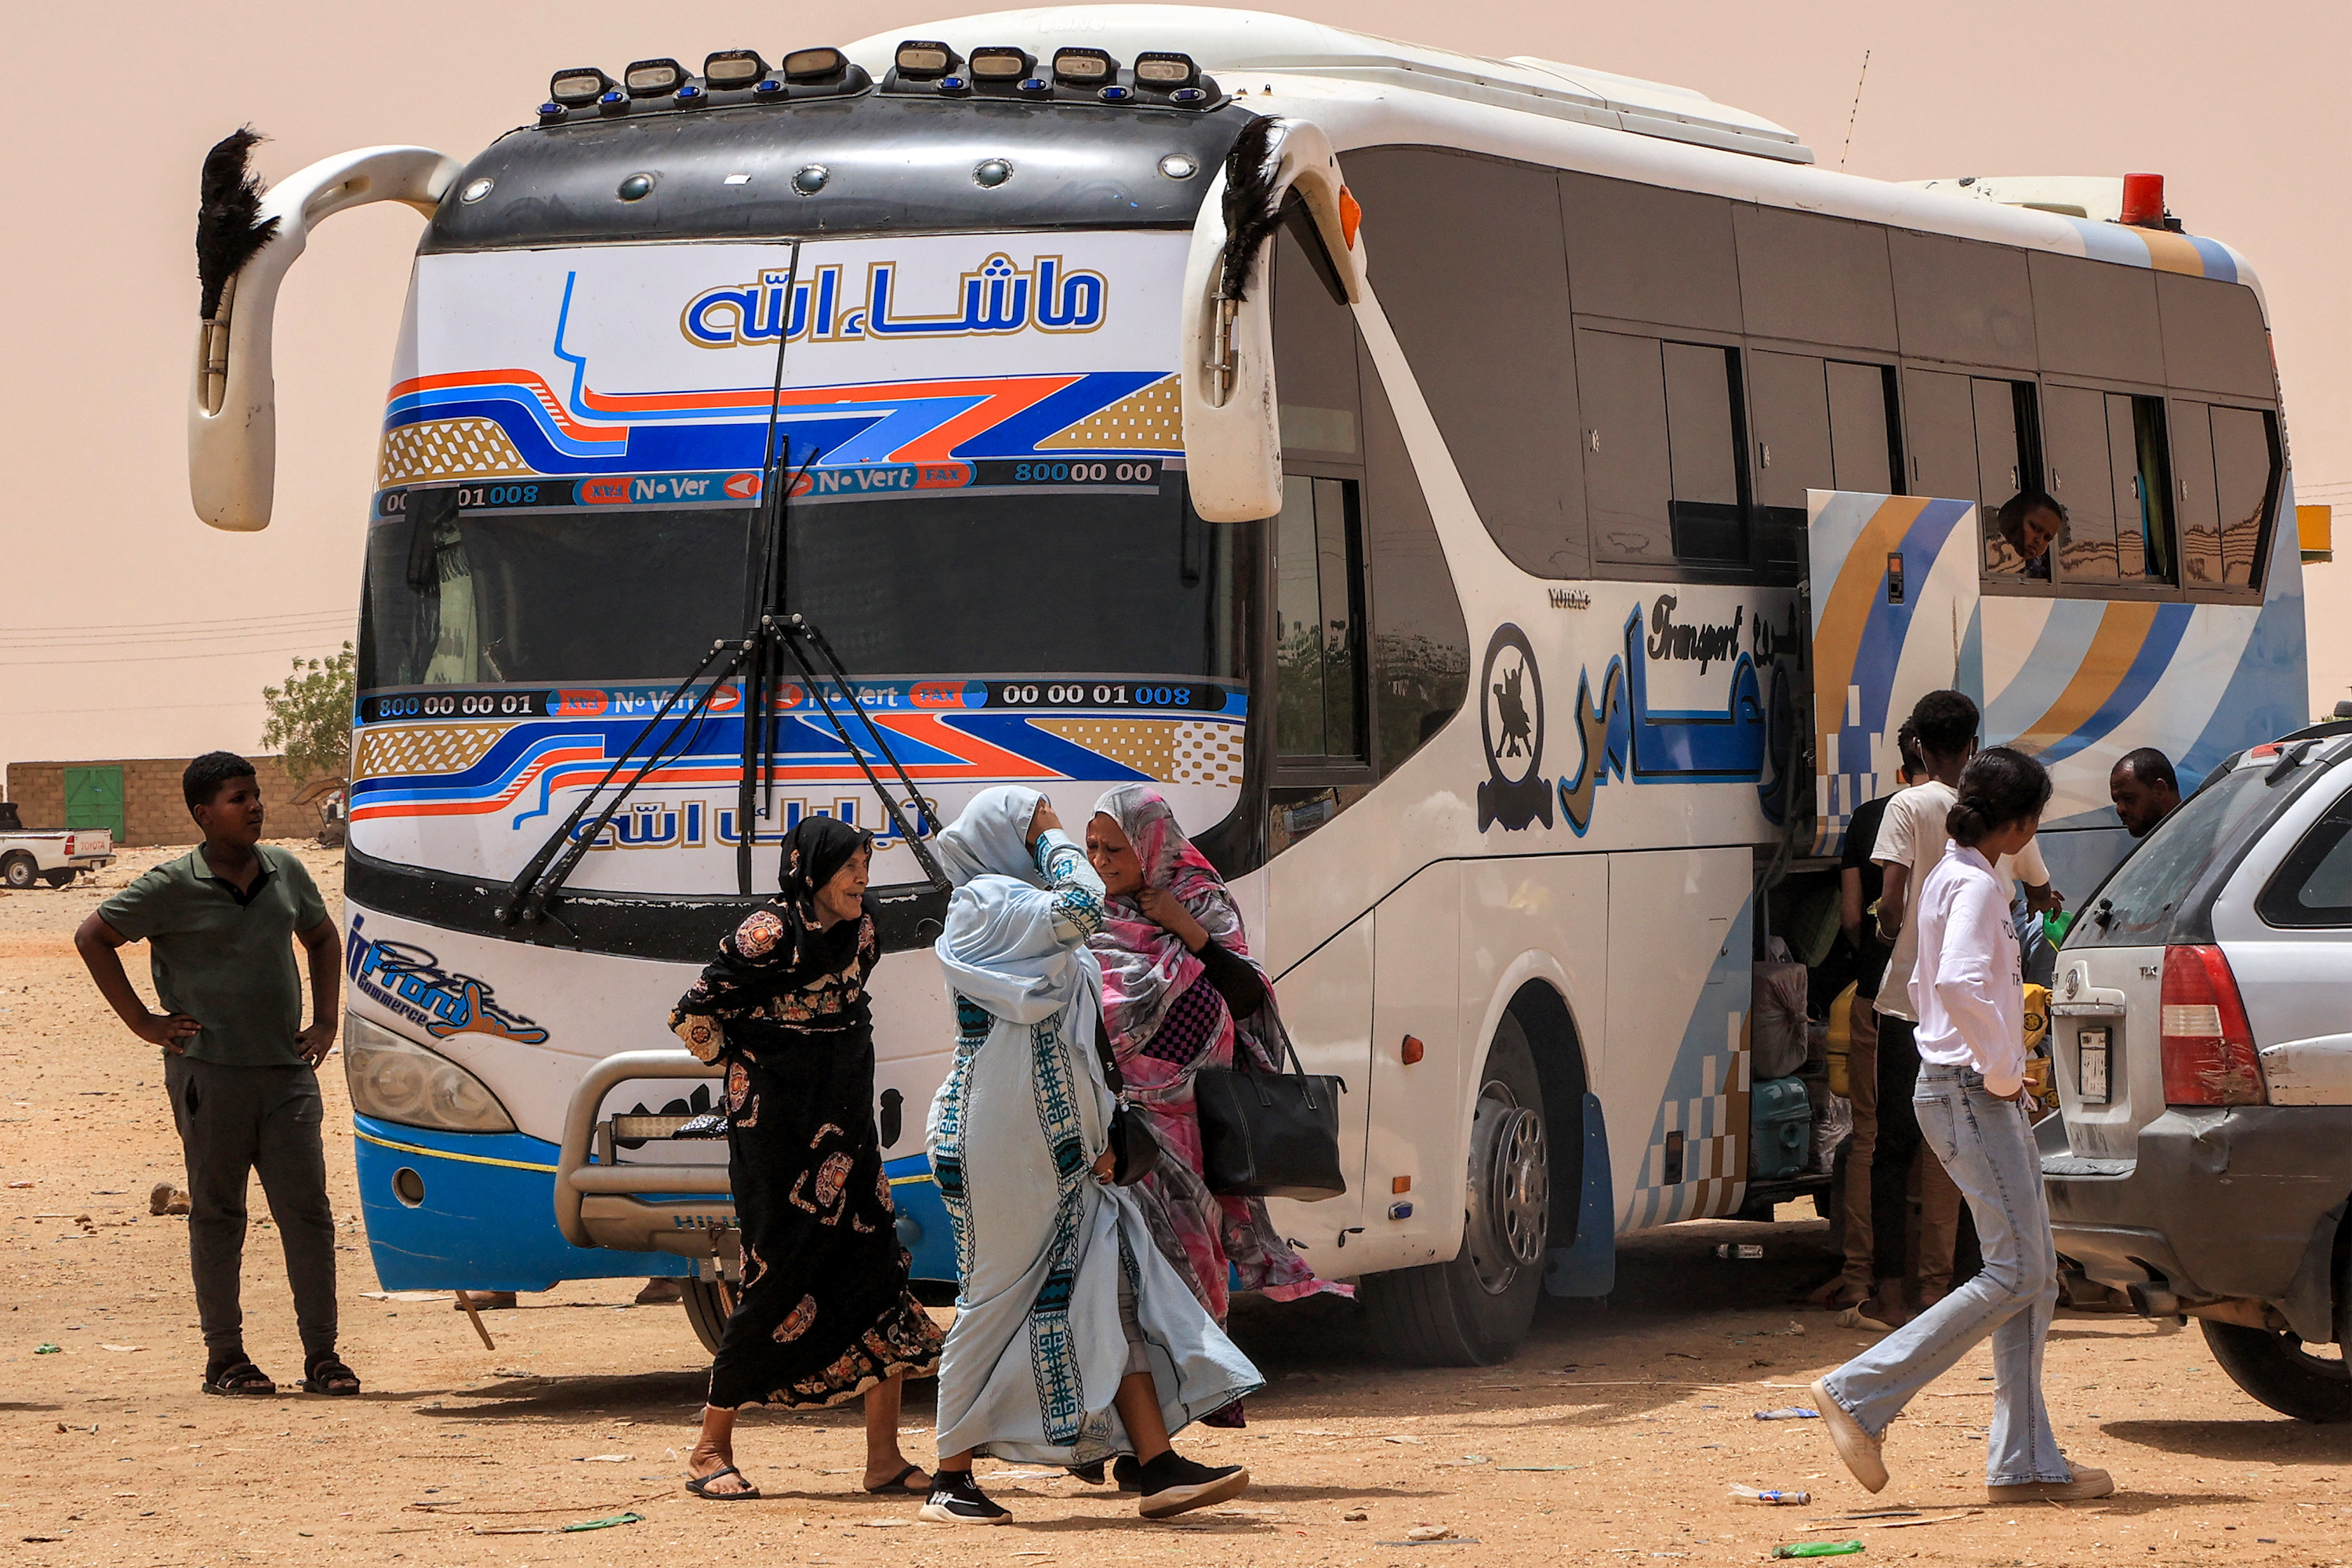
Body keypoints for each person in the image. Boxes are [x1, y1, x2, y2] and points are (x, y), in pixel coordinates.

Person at [922, 786, 1261, 1525]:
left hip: (1064, 1148)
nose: (1062, 841)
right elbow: (1078, 905)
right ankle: (949, 1478)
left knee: (1116, 1290)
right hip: (998, 1146)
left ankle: (1157, 1466)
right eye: (1038, 825)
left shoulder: (1027, 915)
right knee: (991, 1302)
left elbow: (1081, 1046)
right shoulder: (984, 904)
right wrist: (1050, 839)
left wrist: (1104, 1134)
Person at [1811, 746, 2113, 1503]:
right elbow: (1955, 982)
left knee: (2032, 1275)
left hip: (1958, 1087)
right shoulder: (1976, 886)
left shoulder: (1955, 876)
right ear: (2018, 823)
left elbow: (1925, 979)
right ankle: (1861, 1393)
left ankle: (2025, 1461)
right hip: (1972, 1091)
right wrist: (2006, 1067)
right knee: (2018, 1271)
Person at [667, 816, 943, 1501]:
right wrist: (754, 1070)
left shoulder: (866, 928)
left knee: (877, 1271)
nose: (862, 879)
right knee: (778, 1275)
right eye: (850, 867)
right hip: (776, 1133)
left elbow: (852, 1007)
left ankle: (883, 1458)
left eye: (866, 864)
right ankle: (710, 1448)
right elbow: (695, 1012)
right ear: (811, 871)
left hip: (847, 1126)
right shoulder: (767, 935)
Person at [72, 753, 357, 1397]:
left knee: (306, 1212)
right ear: (204, 814)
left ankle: (323, 1356)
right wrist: (143, 1022)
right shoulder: (170, 885)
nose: (253, 806)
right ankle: (225, 1358)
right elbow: (93, 937)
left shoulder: (285, 871)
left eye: (255, 794)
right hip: (210, 1075)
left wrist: (326, 1021)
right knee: (219, 1214)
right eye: (237, 798)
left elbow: (322, 938)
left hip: (287, 1075)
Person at [1080, 786, 1350, 1452]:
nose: (1100, 860)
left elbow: (1249, 996)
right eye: (1092, 848)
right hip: (1114, 1137)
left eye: (1114, 848)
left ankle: (1168, 1428)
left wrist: (1182, 926)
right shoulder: (1086, 919)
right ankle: (1128, 1440)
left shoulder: (1201, 901)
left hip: (1189, 1139)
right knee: (1118, 1288)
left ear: (1152, 845)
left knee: (1188, 1276)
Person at [1855, 691, 2059, 1331]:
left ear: (1917, 744)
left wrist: (1894, 939)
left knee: (1893, 1153)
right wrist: (2002, 1061)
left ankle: (1891, 1293)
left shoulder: (1920, 824)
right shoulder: (1988, 852)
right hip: (1972, 1054)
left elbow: (1894, 915)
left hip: (1911, 1022)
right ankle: (1954, 1292)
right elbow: (1964, 972)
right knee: (2000, 1217)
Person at [1812, 722, 1926, 1312]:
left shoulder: (1869, 819)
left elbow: (1853, 917)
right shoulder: (1970, 813)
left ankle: (1862, 1278)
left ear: (1904, 763)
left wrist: (1876, 952)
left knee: (1870, 1135)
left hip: (1879, 993)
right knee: (1940, 1140)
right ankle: (1938, 1283)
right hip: (1945, 1001)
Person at [2109, 747, 2183, 839]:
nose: (2120, 810)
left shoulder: (2199, 840)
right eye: (2116, 801)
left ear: (2160, 791)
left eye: (2129, 798)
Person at [1995, 491, 2065, 582]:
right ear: (2014, 520)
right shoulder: (1991, 554)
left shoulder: (2039, 575)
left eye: (2047, 538)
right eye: (2035, 528)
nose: (2039, 541)